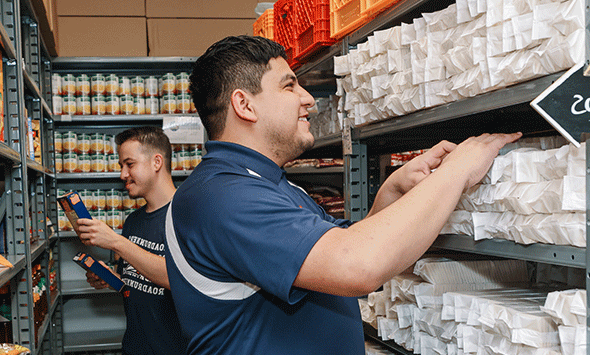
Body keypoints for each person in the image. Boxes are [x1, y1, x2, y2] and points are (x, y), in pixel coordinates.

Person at [164, 35, 522, 354]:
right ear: (244, 105)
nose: (308, 100)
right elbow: (357, 267)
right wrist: (458, 171)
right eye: (289, 87)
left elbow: (331, 258)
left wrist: (390, 193)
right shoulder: (222, 197)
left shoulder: (269, 184)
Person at [75, 126, 187, 355]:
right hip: (135, 347)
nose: (123, 174)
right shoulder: (133, 221)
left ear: (157, 162)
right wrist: (109, 277)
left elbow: (179, 279)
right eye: (121, 166)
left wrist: (117, 242)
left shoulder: (187, 216)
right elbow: (135, 282)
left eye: (130, 164)